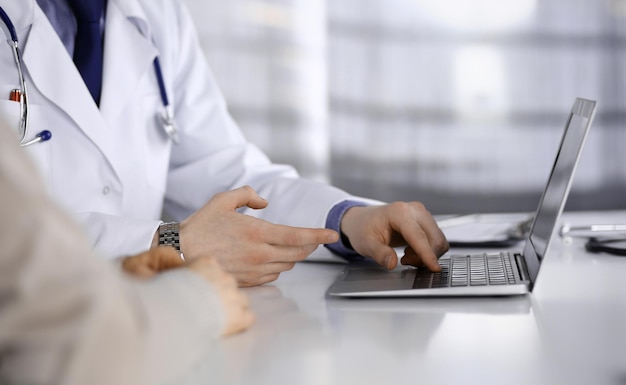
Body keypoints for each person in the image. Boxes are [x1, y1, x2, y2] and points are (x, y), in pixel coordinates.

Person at [0, 0, 449, 287]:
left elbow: (226, 172)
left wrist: (347, 217)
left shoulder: (155, 15)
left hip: (140, 329)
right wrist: (168, 243)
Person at [0, 114, 254, 385]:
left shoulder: (167, 65)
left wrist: (115, 272)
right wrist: (199, 296)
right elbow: (91, 349)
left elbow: (229, 162)